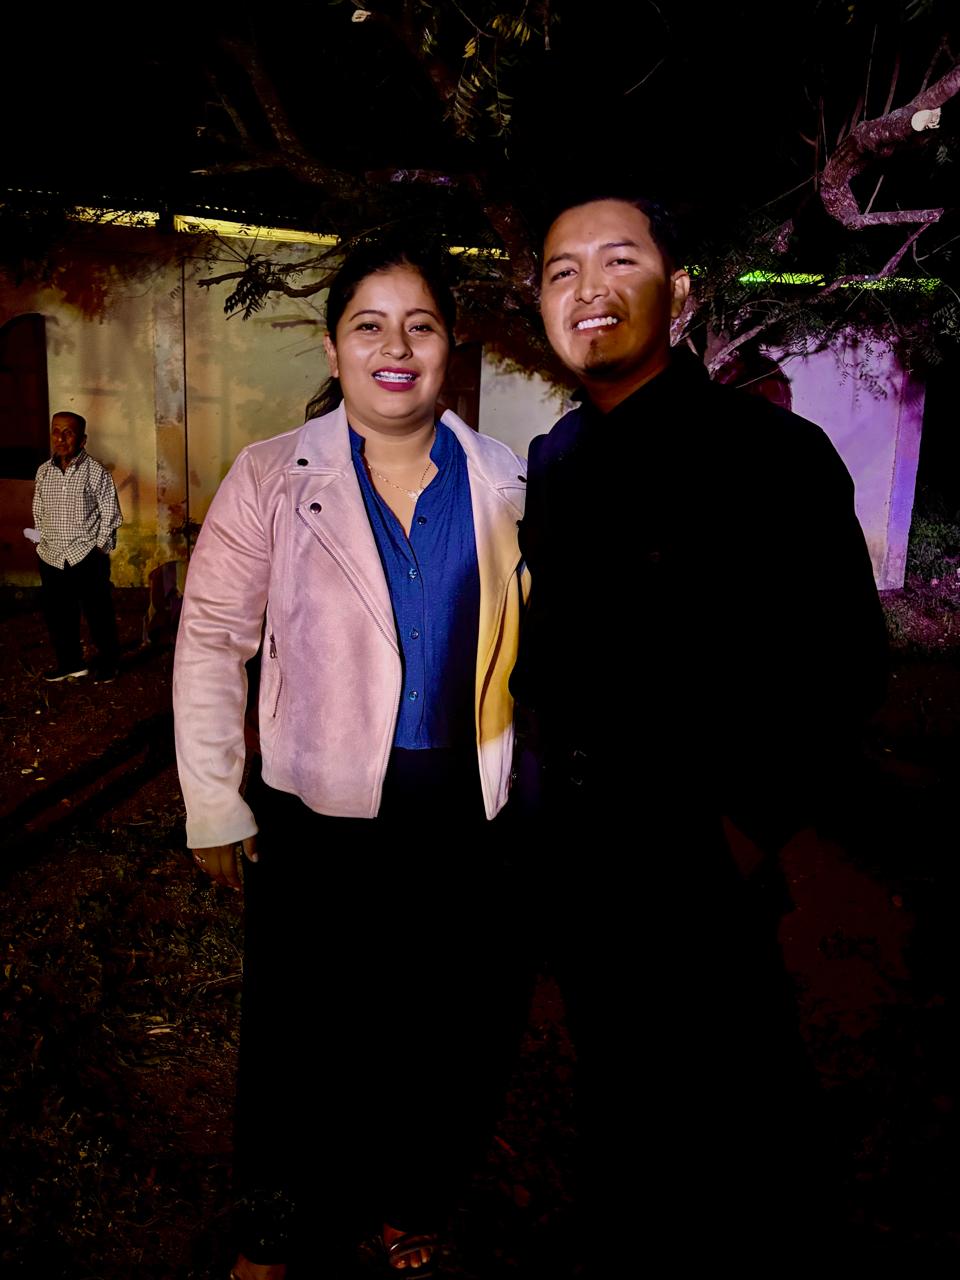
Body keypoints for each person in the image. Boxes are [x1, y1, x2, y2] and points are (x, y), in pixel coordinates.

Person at [510, 193, 889, 1271]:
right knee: (618, 1103)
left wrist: (744, 826)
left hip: (699, 864)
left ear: (678, 291)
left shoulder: (769, 452)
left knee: (744, 1129)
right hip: (576, 851)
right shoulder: (557, 455)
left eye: (619, 261)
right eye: (562, 270)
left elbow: (844, 662)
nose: (589, 288)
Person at [172, 240, 531, 1280]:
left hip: (465, 806)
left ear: (450, 346)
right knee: (300, 1034)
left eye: (420, 324)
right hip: (317, 809)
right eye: (369, 325)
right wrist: (215, 798)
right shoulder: (272, 475)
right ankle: (276, 1224)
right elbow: (212, 639)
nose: (395, 347)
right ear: (334, 350)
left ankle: (411, 1197)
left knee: (442, 1021)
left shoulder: (508, 479)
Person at [32, 411, 122, 683]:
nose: (60, 438)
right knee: (58, 614)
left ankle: (109, 664)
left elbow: (111, 513)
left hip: (86, 555)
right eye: (56, 431)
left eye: (68, 433)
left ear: (82, 440)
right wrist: (41, 542)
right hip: (51, 555)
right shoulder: (44, 471)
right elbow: (38, 509)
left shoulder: (95, 472)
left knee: (98, 613)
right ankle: (70, 664)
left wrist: (99, 548)